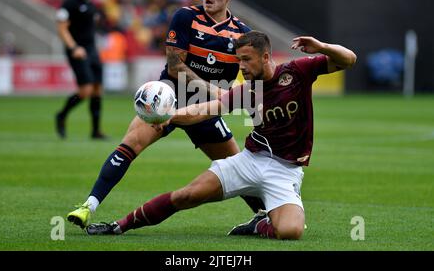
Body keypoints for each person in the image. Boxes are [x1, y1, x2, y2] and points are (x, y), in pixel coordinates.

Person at [85, 30, 357, 239]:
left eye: (247, 60)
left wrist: (321, 47)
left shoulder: (297, 72)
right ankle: (118, 226)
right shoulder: (247, 90)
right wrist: (170, 117)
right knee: (186, 196)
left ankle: (260, 224)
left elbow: (349, 59)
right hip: (249, 161)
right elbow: (207, 109)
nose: (242, 67)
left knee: (291, 232)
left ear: (265, 57)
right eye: (239, 60)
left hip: (285, 172)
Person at [67, 0, 265, 229]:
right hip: (167, 99)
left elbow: (251, 72)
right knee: (130, 144)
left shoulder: (242, 33)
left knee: (237, 167)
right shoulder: (185, 17)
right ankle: (87, 207)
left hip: (205, 110)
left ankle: (266, 216)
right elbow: (175, 67)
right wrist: (215, 90)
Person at [55, 0, 107, 140]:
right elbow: (62, 30)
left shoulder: (92, 4)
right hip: (78, 51)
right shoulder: (69, 4)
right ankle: (61, 115)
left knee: (98, 89)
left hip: (92, 50)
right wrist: (74, 47)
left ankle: (95, 131)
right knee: (85, 90)